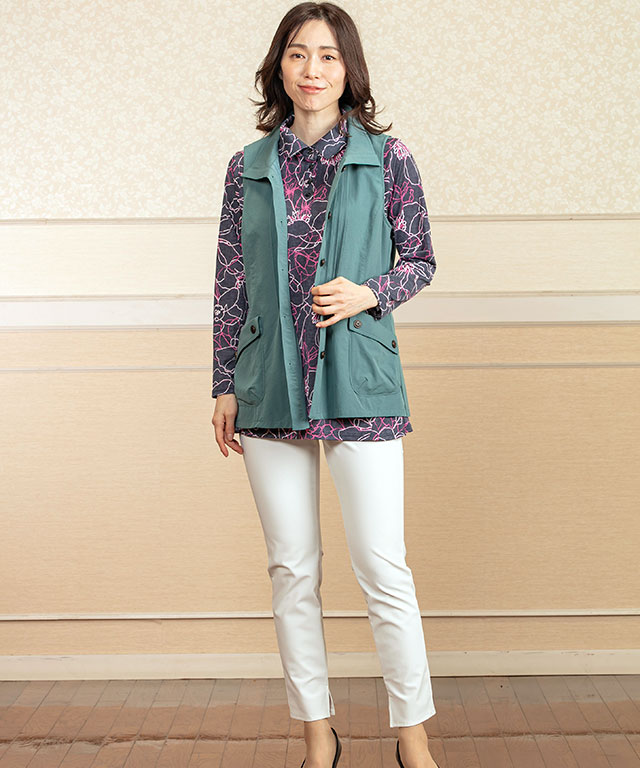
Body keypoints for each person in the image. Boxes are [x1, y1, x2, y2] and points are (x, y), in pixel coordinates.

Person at [211, 3, 440, 767]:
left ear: (349, 70)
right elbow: (231, 283)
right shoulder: (247, 167)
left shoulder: (388, 156)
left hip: (360, 378)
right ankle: (318, 738)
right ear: (279, 66)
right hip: (268, 382)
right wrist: (223, 384)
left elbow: (421, 259)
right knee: (292, 569)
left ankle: (413, 741)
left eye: (329, 56)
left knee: (382, 565)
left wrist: (368, 292)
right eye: (299, 54)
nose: (313, 70)